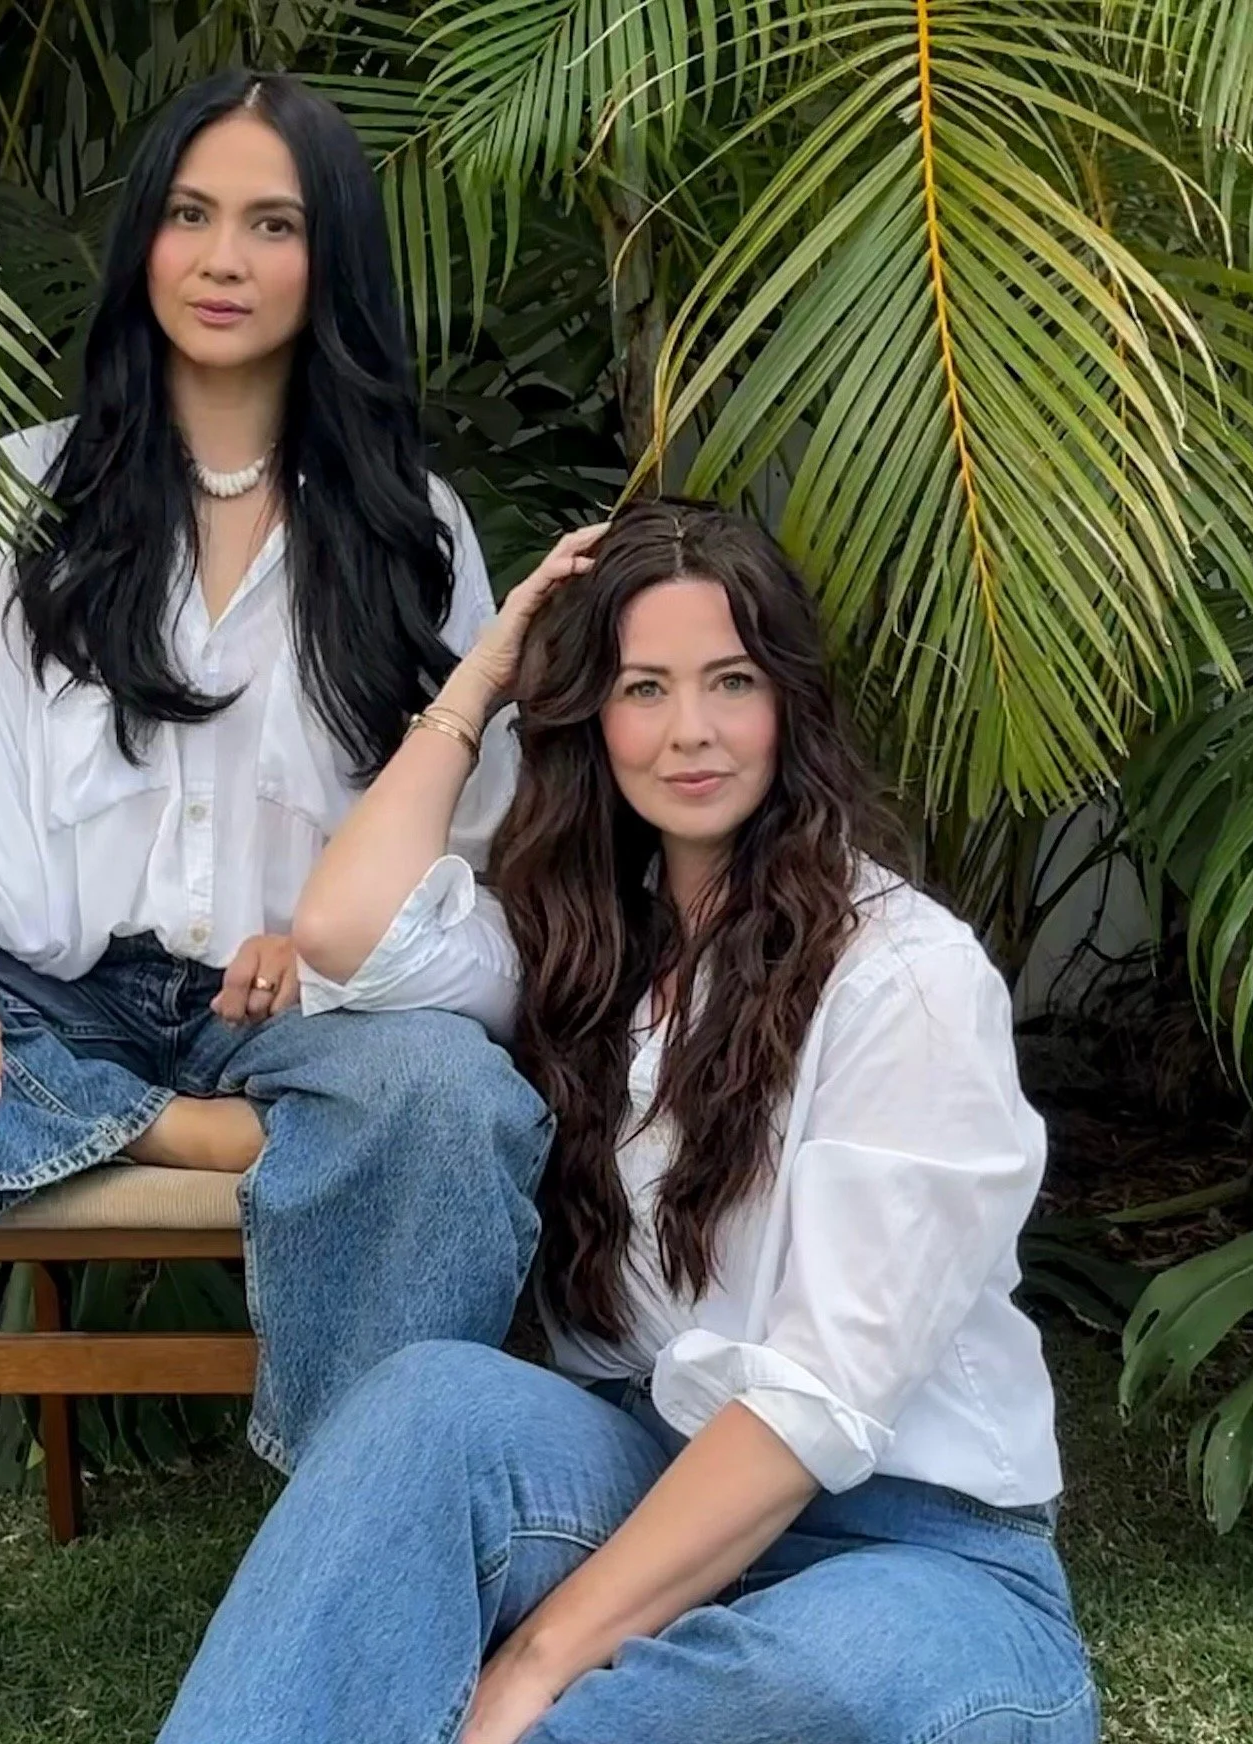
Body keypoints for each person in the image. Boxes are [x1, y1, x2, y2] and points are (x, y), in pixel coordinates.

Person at [0, 70, 549, 1469]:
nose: (221, 260)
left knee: (454, 1102)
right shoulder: (19, 500)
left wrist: (327, 954)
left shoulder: (411, 532)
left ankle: (360, 1505)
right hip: (44, 1000)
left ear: (330, 262)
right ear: (143, 236)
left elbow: (470, 845)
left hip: (293, 1023)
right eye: (191, 215)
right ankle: (216, 1141)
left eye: (272, 225)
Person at [158, 499, 1099, 1743]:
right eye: (643, 688)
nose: (690, 732)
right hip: (646, 1478)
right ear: (593, 719)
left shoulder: (905, 976)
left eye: (730, 681)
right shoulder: (584, 948)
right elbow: (350, 932)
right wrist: (485, 677)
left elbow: (816, 1403)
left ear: (789, 705)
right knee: (427, 1406)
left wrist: (536, 1658)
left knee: (797, 1687)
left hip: (918, 1549)